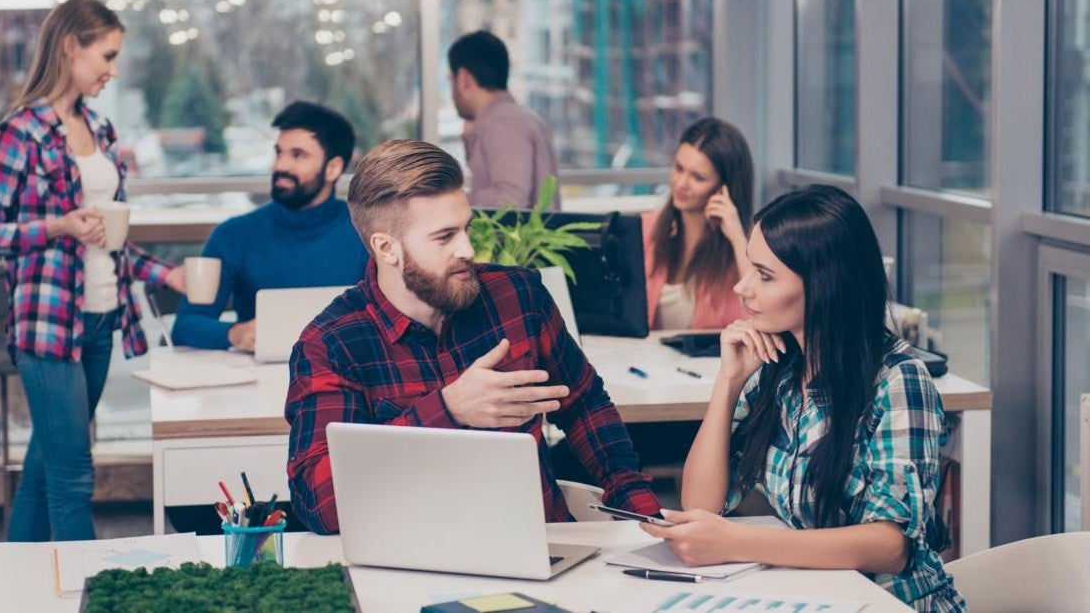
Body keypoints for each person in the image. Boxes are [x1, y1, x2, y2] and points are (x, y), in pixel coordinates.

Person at [285, 139, 657, 535]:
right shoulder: (331, 345)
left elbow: (584, 404)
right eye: (444, 237)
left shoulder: (518, 297)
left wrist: (639, 509)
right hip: (411, 560)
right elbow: (318, 503)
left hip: (537, 544)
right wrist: (448, 410)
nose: (468, 249)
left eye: (466, 228)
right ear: (386, 248)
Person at [640, 185, 964, 611]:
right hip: (818, 598)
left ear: (824, 284)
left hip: (892, 603)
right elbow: (702, 503)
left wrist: (737, 541)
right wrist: (728, 382)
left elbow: (889, 545)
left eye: (765, 275)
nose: (742, 287)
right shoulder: (779, 368)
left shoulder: (899, 381)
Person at [0, 0, 186, 541]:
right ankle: (85, 594)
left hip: (102, 320)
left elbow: (109, 240)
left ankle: (17, 582)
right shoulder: (20, 133)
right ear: (71, 46)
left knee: (45, 466)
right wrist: (57, 227)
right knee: (73, 477)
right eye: (105, 55)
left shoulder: (101, 131)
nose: (112, 70)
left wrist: (167, 276)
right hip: (47, 327)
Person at [170, 101, 370, 351]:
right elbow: (186, 326)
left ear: (333, 168)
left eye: (298, 155)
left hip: (348, 377)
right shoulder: (234, 235)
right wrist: (233, 333)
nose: (280, 166)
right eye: (279, 152)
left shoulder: (366, 233)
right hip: (258, 380)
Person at [643, 117, 753, 330]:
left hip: (710, 363)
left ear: (725, 188)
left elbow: (761, 313)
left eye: (698, 177)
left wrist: (737, 238)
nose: (681, 183)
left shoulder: (748, 246)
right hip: (647, 359)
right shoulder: (648, 229)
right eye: (678, 168)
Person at [448, 30, 560, 210]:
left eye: (450, 80)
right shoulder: (520, 118)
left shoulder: (503, 124)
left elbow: (509, 201)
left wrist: (452, 203)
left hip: (521, 239)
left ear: (463, 79)